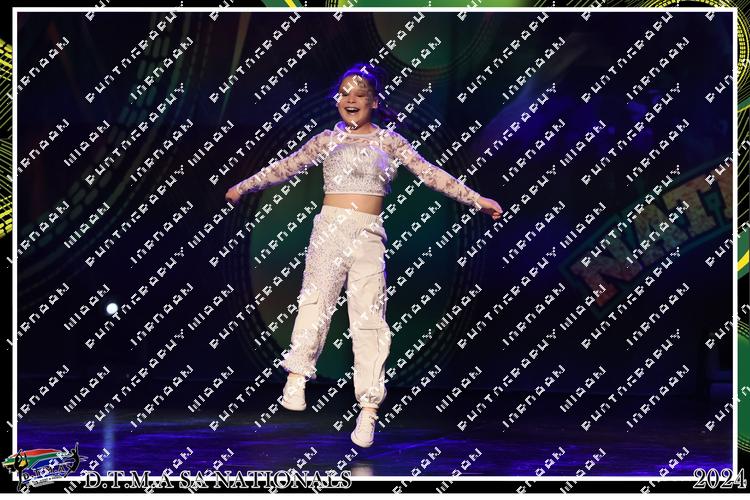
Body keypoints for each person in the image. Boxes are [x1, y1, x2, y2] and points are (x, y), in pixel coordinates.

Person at [225, 64, 502, 448]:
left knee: (369, 320)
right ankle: (296, 377)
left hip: (368, 235)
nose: (350, 99)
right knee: (315, 303)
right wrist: (243, 186)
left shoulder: (390, 142)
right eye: (344, 93)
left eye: (359, 94)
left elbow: (431, 174)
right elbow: (285, 167)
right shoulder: (326, 140)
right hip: (329, 230)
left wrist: (476, 199)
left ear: (374, 101)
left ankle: (368, 409)